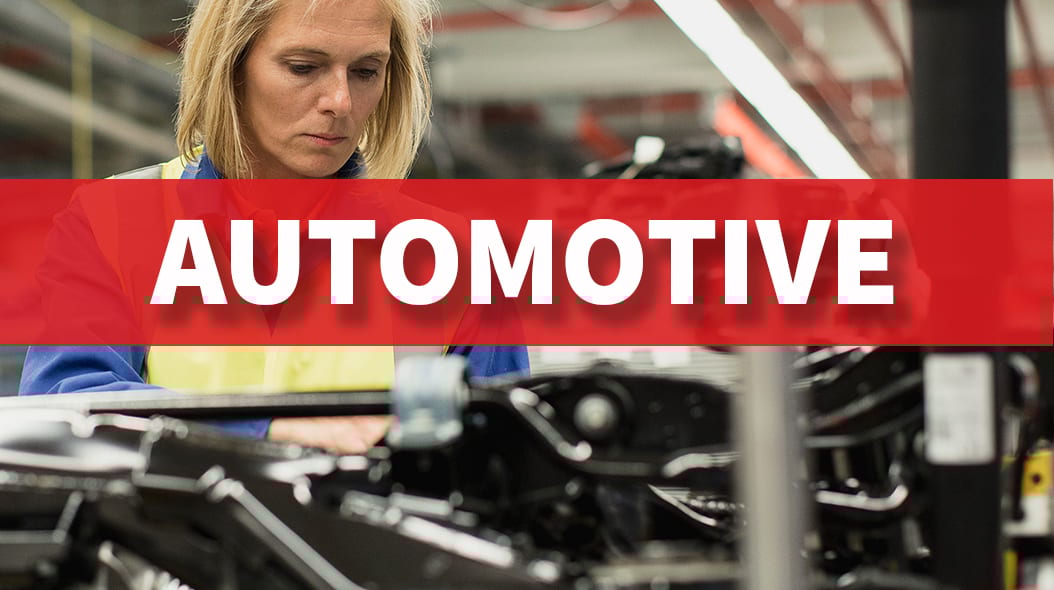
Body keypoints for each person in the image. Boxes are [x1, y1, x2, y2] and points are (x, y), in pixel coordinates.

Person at [19, 0, 529, 453]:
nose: (341, 102)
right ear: (231, 64)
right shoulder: (112, 221)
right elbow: (63, 409)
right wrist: (265, 429)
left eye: (366, 71)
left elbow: (510, 464)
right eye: (304, 67)